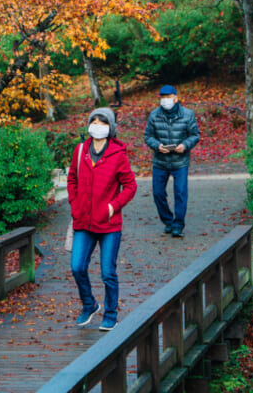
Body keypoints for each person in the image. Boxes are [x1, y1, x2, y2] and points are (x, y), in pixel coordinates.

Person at [67, 106, 137, 332]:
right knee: (77, 266)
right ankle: (89, 305)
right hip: (83, 222)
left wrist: (112, 207)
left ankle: (111, 314)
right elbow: (72, 180)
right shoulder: (80, 151)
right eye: (94, 122)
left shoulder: (118, 155)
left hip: (108, 224)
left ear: (111, 127)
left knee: (108, 272)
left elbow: (130, 186)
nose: (97, 126)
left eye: (103, 122)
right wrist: (74, 204)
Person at [144, 84, 200, 237]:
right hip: (160, 161)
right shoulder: (154, 115)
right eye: (163, 97)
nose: (166, 100)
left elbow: (195, 135)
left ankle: (178, 225)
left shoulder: (188, 115)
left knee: (180, 193)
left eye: (169, 97)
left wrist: (185, 145)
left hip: (180, 161)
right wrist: (157, 146)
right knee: (158, 193)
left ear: (176, 98)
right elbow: (148, 136)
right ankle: (168, 220)